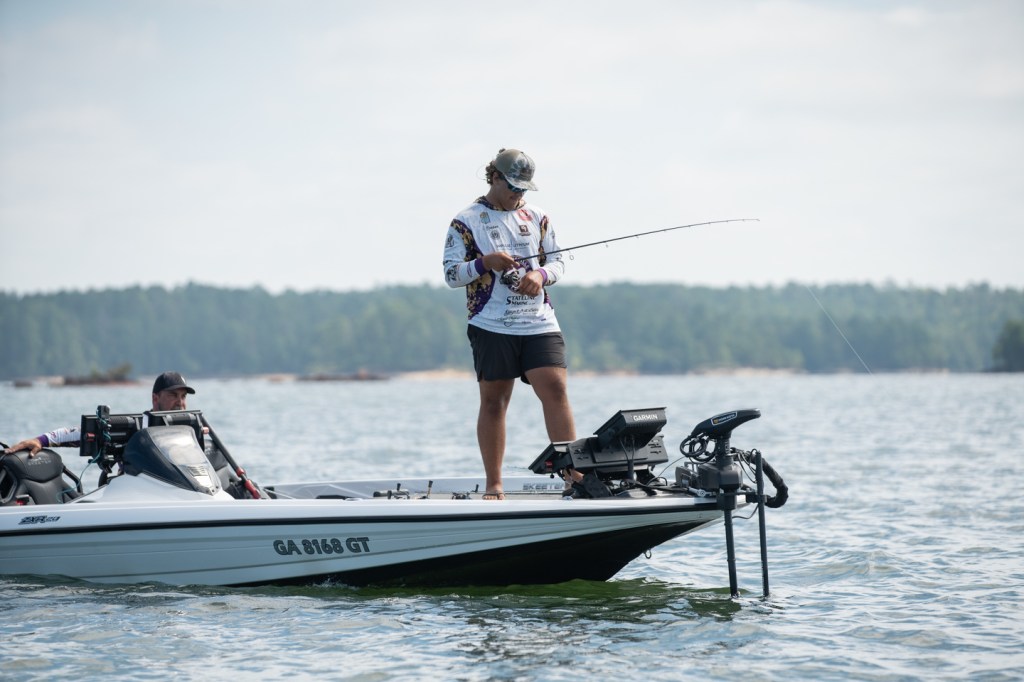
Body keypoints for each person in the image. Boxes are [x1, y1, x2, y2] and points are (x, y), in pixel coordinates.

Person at [442, 148, 577, 499]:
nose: (519, 194)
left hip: (538, 321)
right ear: (495, 177)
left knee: (556, 389)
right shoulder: (465, 220)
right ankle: (494, 484)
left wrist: (540, 275)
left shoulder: (538, 216)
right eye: (514, 186)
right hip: (491, 323)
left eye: (524, 188)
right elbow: (452, 275)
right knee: (494, 402)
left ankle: (573, 477)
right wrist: (485, 263)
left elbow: (559, 262)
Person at [3, 371, 196, 457]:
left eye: (183, 396)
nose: (180, 402)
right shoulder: (136, 425)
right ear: (155, 398)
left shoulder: (191, 429)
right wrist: (40, 441)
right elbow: (83, 432)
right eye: (173, 395)